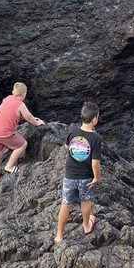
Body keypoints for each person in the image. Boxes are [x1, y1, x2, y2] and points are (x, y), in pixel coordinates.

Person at [55, 101, 102, 243]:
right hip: (86, 177)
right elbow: (95, 162)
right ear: (94, 120)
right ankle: (86, 225)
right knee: (86, 201)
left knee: (66, 204)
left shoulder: (72, 131)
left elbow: (66, 146)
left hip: (70, 175)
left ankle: (59, 235)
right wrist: (96, 178)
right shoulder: (96, 138)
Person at [0, 82, 45, 180]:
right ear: (24, 94)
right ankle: (9, 166)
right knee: (22, 145)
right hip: (4, 133)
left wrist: (25, 117)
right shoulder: (20, 104)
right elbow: (29, 117)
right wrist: (37, 123)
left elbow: (12, 113)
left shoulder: (7, 99)